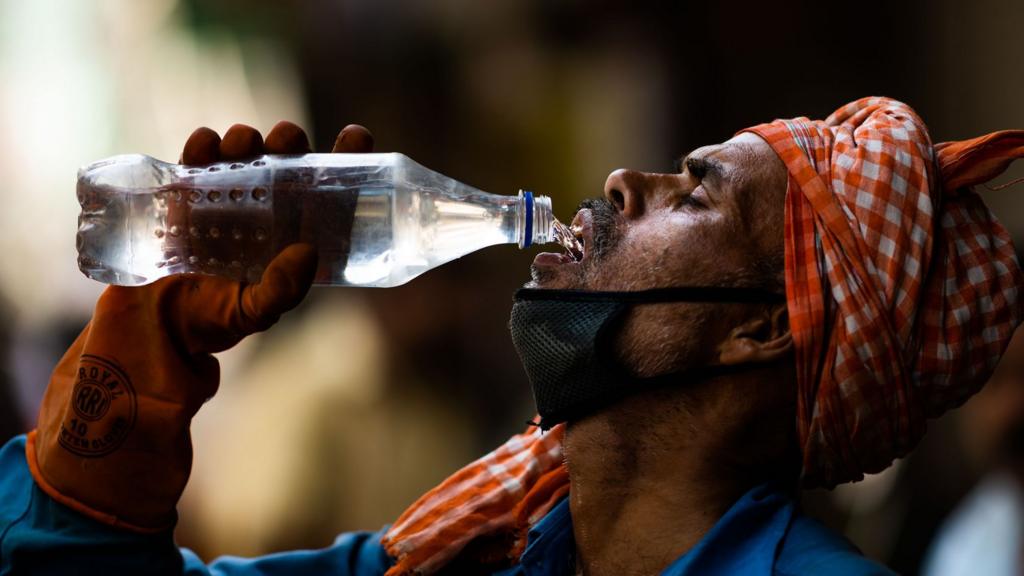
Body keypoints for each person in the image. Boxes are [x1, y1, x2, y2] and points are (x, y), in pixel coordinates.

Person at [1, 97, 1022, 575]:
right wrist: (136, 367)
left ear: (760, 328)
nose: (626, 185)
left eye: (696, 192)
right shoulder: (475, 556)